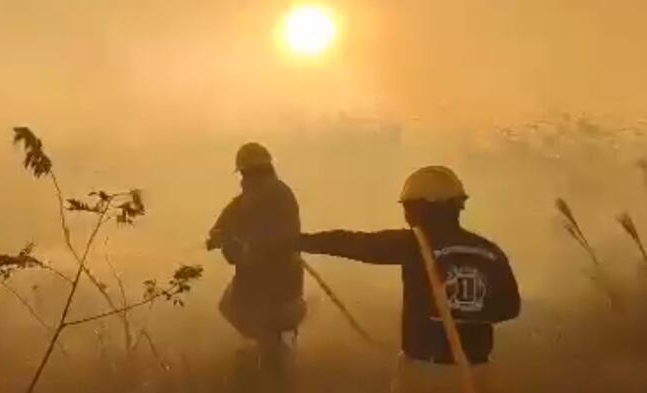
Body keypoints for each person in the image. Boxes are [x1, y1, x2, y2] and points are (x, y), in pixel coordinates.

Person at [296, 165, 520, 393]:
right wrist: (469, 313)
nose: (406, 215)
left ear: (422, 208)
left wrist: (298, 242)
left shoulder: (411, 245)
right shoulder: (490, 252)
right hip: (477, 373)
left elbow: (353, 243)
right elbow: (511, 308)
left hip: (424, 372)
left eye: (409, 207)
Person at [206, 142, 306, 381]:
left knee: (264, 332)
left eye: (248, 173)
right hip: (254, 282)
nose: (246, 178)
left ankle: (273, 370)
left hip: (278, 283)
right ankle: (268, 358)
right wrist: (220, 239)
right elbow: (220, 228)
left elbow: (278, 236)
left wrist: (244, 246)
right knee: (231, 307)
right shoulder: (245, 200)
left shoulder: (279, 197)